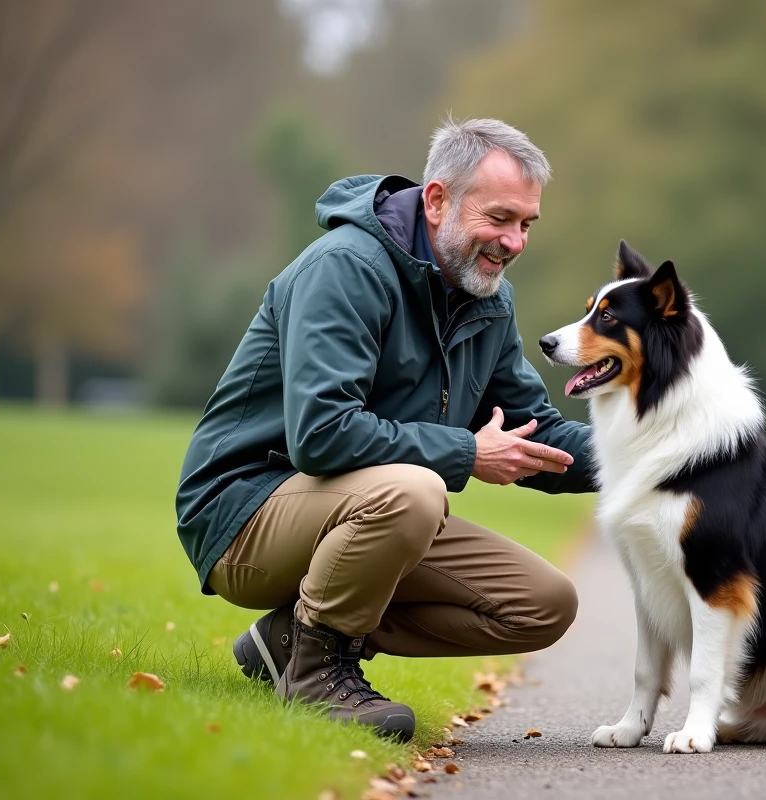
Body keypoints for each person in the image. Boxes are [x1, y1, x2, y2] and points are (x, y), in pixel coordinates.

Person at [174, 118, 594, 742]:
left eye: (526, 224)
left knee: (544, 605)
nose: (515, 242)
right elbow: (321, 434)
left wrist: (670, 456)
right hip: (244, 510)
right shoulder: (346, 267)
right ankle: (317, 674)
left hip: (369, 513)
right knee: (416, 491)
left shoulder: (486, 300)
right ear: (436, 200)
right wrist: (466, 452)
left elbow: (540, 431)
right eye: (500, 218)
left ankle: (285, 638)